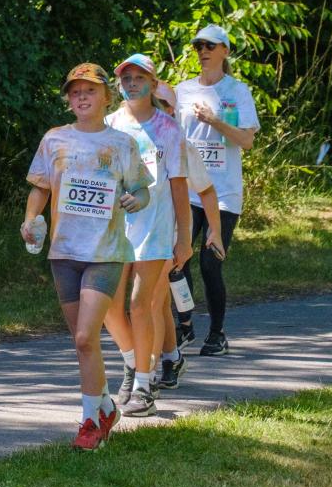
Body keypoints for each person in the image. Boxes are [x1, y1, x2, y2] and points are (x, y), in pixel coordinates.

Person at [21, 63, 150, 450]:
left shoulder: (121, 144)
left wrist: (134, 199)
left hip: (105, 252)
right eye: (75, 92)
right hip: (64, 252)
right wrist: (30, 219)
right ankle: (105, 408)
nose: (81, 97)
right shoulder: (54, 140)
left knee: (84, 335)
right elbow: (40, 188)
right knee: (84, 344)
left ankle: (90, 421)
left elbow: (143, 190)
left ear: (105, 97)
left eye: (89, 91)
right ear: (68, 99)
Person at [102, 55, 190, 417]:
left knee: (141, 305)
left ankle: (143, 385)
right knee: (108, 305)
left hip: (153, 230)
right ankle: (132, 361)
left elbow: (180, 189)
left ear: (154, 85)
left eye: (141, 78)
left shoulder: (169, 130)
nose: (133, 83)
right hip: (112, 232)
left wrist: (184, 237)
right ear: (118, 83)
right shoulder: (106, 125)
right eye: (127, 77)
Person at [174, 24, 259, 356]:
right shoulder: (182, 91)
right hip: (188, 190)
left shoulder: (237, 92)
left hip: (223, 193)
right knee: (176, 261)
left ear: (225, 50)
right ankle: (185, 323)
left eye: (210, 45)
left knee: (210, 264)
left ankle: (217, 333)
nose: (203, 51)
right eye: (198, 46)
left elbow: (247, 141)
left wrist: (216, 122)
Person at [151, 80, 222, 389]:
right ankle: (170, 357)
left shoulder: (180, 144)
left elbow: (206, 191)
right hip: (131, 235)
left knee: (151, 301)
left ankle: (144, 373)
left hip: (165, 236)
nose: (161, 111)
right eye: (156, 104)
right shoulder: (125, 136)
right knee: (155, 302)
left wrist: (214, 231)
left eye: (167, 106)